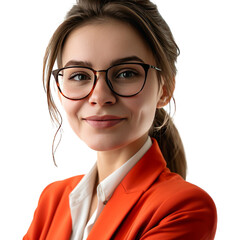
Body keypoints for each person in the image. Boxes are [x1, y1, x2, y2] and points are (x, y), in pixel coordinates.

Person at [23, 0, 217, 239]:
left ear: (164, 89)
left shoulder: (182, 207)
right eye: (80, 75)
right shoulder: (52, 201)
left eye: (126, 73)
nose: (100, 96)